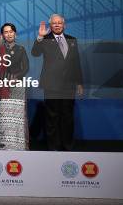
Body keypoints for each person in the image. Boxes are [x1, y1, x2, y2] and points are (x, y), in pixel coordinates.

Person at [31, 13, 83, 151]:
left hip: (69, 85)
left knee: (67, 116)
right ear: (50, 25)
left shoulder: (72, 40)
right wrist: (40, 37)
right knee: (52, 116)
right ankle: (53, 146)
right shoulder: (45, 39)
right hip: (52, 85)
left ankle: (67, 145)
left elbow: (76, 62)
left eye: (60, 22)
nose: (57, 25)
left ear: (64, 25)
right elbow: (35, 53)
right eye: (54, 23)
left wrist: (79, 83)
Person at [0, 22, 29, 150]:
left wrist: (15, 78)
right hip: (3, 86)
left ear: (15, 33)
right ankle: (6, 145)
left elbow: (26, 68)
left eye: (11, 31)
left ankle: (20, 146)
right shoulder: (0, 48)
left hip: (17, 85)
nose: (9, 34)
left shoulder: (20, 49)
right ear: (2, 35)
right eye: (6, 32)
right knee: (5, 116)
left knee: (18, 116)